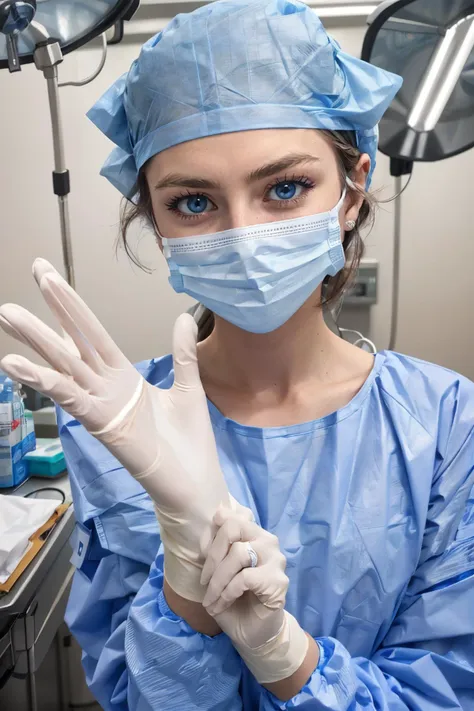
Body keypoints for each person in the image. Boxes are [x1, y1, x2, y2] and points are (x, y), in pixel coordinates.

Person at [1, 0, 474, 708]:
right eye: (194, 202)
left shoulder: (445, 426)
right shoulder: (120, 425)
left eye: (285, 188)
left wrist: (283, 651)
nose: (244, 236)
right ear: (156, 222)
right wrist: (185, 592)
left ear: (351, 190)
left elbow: (445, 690)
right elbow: (133, 696)